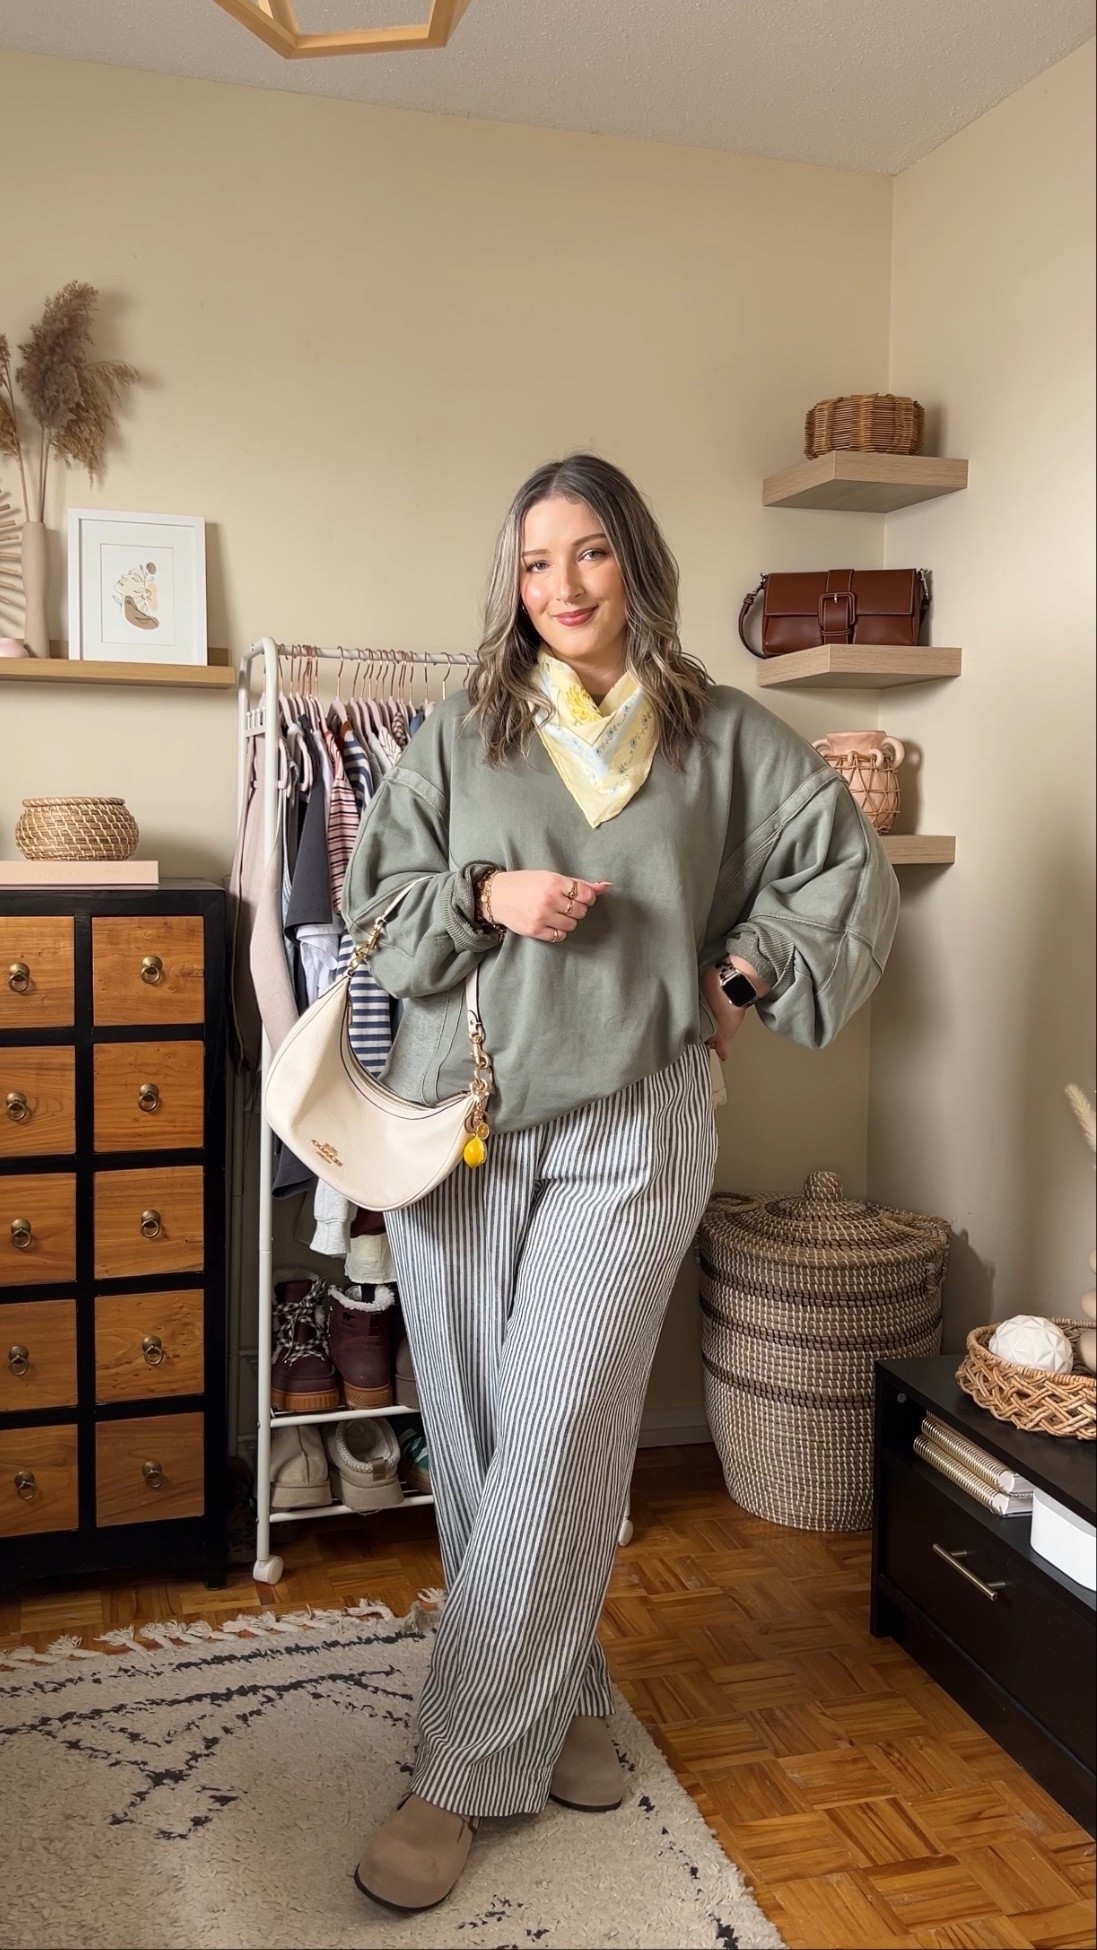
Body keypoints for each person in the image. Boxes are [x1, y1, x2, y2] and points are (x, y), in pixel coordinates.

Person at [342, 453, 899, 1910]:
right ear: (511, 584)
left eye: (588, 555)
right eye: (536, 564)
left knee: (555, 1428)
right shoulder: (462, 730)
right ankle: (564, 1700)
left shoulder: (722, 736)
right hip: (465, 1122)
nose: (563, 588)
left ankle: (457, 1772)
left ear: (633, 565)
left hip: (635, 1129)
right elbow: (378, 904)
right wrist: (485, 894)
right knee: (477, 1442)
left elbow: (835, 861)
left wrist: (744, 961)